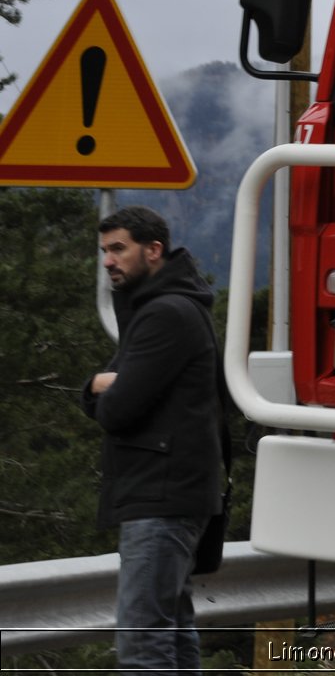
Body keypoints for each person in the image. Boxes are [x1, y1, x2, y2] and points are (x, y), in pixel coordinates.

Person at [81, 205, 221, 674]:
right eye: (105, 251)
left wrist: (96, 387)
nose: (108, 261)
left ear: (153, 250)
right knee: (172, 631)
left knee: (143, 644)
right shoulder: (167, 307)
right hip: (170, 493)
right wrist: (106, 384)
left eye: (118, 249)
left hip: (161, 498)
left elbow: (118, 409)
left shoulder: (166, 314)